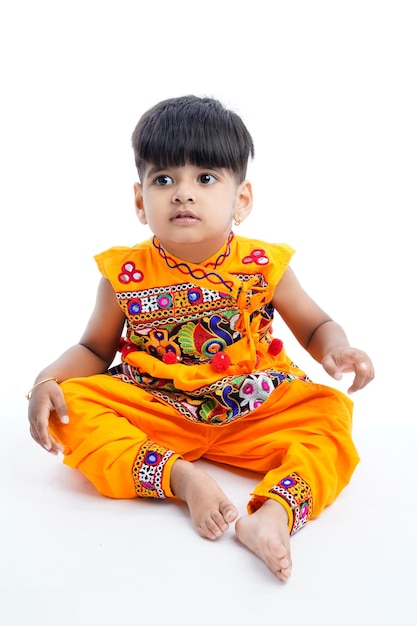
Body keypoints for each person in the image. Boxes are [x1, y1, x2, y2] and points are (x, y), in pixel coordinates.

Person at [27, 95, 374, 582]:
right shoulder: (123, 275)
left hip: (254, 403)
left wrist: (335, 348)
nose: (182, 193)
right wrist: (45, 380)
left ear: (242, 199)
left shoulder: (264, 266)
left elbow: (315, 324)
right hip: (159, 406)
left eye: (205, 178)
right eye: (164, 179)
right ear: (139, 201)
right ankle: (179, 477)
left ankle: (274, 513)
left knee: (330, 419)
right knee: (74, 405)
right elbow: (93, 350)